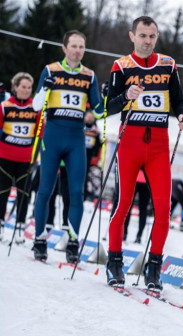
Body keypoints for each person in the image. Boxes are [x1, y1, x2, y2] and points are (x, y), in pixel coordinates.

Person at [104, 16, 183, 290]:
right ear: (132, 36)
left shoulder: (168, 65)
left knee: (163, 211)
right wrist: (125, 96)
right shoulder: (121, 66)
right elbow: (108, 107)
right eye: (142, 35)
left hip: (158, 144)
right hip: (130, 141)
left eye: (152, 36)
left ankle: (154, 268)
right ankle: (114, 263)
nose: (147, 41)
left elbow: (178, 100)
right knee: (123, 205)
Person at [30, 30, 104, 263]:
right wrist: (44, 88)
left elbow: (100, 112)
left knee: (76, 192)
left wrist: (107, 98)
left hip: (75, 138)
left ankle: (73, 241)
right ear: (64, 48)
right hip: (52, 136)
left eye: (81, 47)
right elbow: (35, 106)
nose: (77, 50)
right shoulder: (51, 70)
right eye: (73, 46)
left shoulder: (89, 75)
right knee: (45, 190)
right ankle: (40, 239)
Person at [0, 72, 42, 241]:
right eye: (23, 87)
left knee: (24, 194)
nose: (26, 90)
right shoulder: (5, 105)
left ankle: (19, 228)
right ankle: (1, 224)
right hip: (5, 156)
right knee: (2, 192)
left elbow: (40, 132)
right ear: (15, 87)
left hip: (26, 158)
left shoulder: (36, 107)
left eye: (29, 87)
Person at [122, 170, 150, 243]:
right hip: (146, 180)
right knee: (143, 209)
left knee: (128, 207)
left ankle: (124, 234)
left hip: (135, 178)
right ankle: (139, 236)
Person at [83, 110, 103, 200]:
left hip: (88, 157)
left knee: (85, 176)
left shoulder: (96, 131)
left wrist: (95, 154)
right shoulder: (81, 127)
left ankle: (84, 194)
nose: (90, 118)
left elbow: (98, 144)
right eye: (88, 116)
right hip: (78, 153)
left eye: (91, 117)